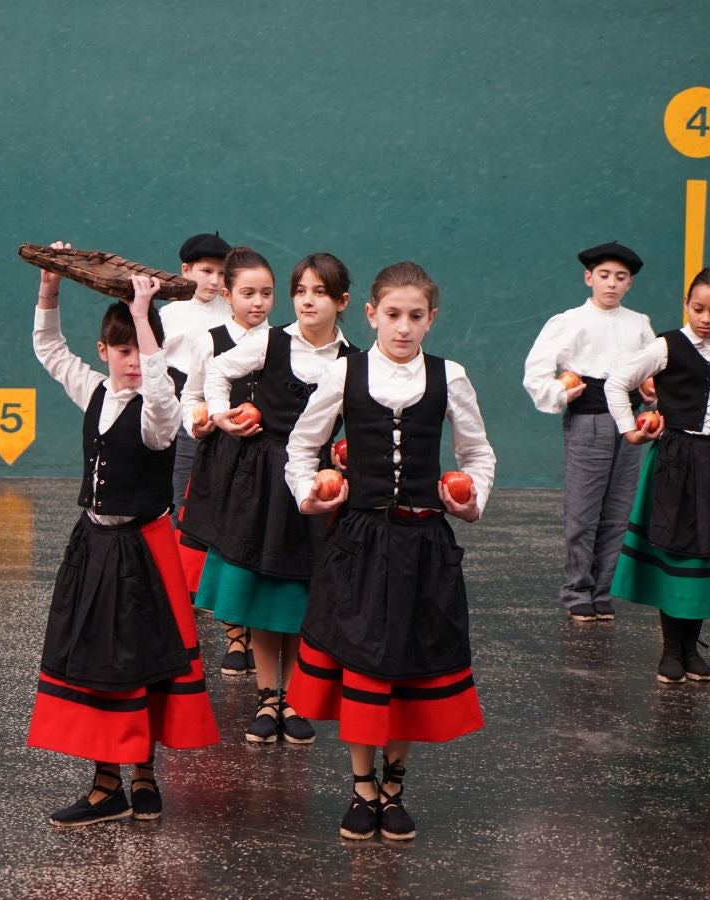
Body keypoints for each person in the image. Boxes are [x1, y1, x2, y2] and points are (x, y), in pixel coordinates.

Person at [284, 261, 495, 841]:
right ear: (372, 314)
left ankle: (395, 785)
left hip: (424, 544)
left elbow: (478, 455)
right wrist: (311, 495)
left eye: (416, 317)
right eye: (394, 315)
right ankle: (361, 788)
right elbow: (301, 448)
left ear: (432, 319)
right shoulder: (343, 373)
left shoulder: (450, 376)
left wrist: (468, 500)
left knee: (408, 668)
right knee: (363, 667)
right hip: (359, 544)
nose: (404, 328)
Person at [26, 243, 219, 827]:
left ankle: (144, 776)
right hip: (94, 546)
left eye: (141, 351)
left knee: (143, 661)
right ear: (104, 352)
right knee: (97, 660)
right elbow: (47, 347)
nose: (134, 362)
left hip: (143, 550)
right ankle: (105, 783)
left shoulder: (161, 412)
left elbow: (161, 397)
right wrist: (50, 285)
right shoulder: (94, 392)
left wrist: (143, 316)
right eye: (124, 352)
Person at [186, 250, 358, 745]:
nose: (307, 301)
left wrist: (345, 459)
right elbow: (217, 374)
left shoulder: (354, 361)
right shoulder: (269, 341)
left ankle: (297, 699)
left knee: (302, 593)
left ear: (342, 301)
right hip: (262, 481)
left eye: (320, 293)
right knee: (262, 591)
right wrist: (221, 417)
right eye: (301, 291)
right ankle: (269, 697)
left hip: (316, 485)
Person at [605, 266, 710, 684]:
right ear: (686, 305)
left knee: (707, 550)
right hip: (677, 458)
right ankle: (672, 649)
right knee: (678, 548)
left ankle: (691, 648)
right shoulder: (667, 346)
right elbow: (617, 383)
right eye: (698, 309)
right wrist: (630, 431)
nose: (706, 319)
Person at [523, 241, 655, 621]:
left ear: (629, 283)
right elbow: (536, 372)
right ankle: (577, 588)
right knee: (584, 509)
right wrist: (561, 392)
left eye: (620, 277)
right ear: (588, 278)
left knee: (619, 509)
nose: (611, 284)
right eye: (603, 276)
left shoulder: (639, 324)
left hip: (629, 421)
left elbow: (652, 369)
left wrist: (649, 390)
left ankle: (602, 589)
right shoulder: (568, 322)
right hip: (589, 417)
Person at [175, 246, 274, 676]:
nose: (257, 303)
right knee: (227, 548)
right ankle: (237, 638)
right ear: (228, 295)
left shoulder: (284, 340)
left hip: (270, 462)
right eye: (248, 293)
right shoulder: (207, 341)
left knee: (261, 547)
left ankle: (262, 634)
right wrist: (197, 422)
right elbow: (192, 396)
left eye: (266, 294)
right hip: (221, 458)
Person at [160, 232, 233, 518]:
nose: (214, 281)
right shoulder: (169, 314)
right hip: (182, 412)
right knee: (181, 491)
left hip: (225, 408)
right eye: (206, 271)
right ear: (186, 270)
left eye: (221, 273)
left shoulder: (232, 310)